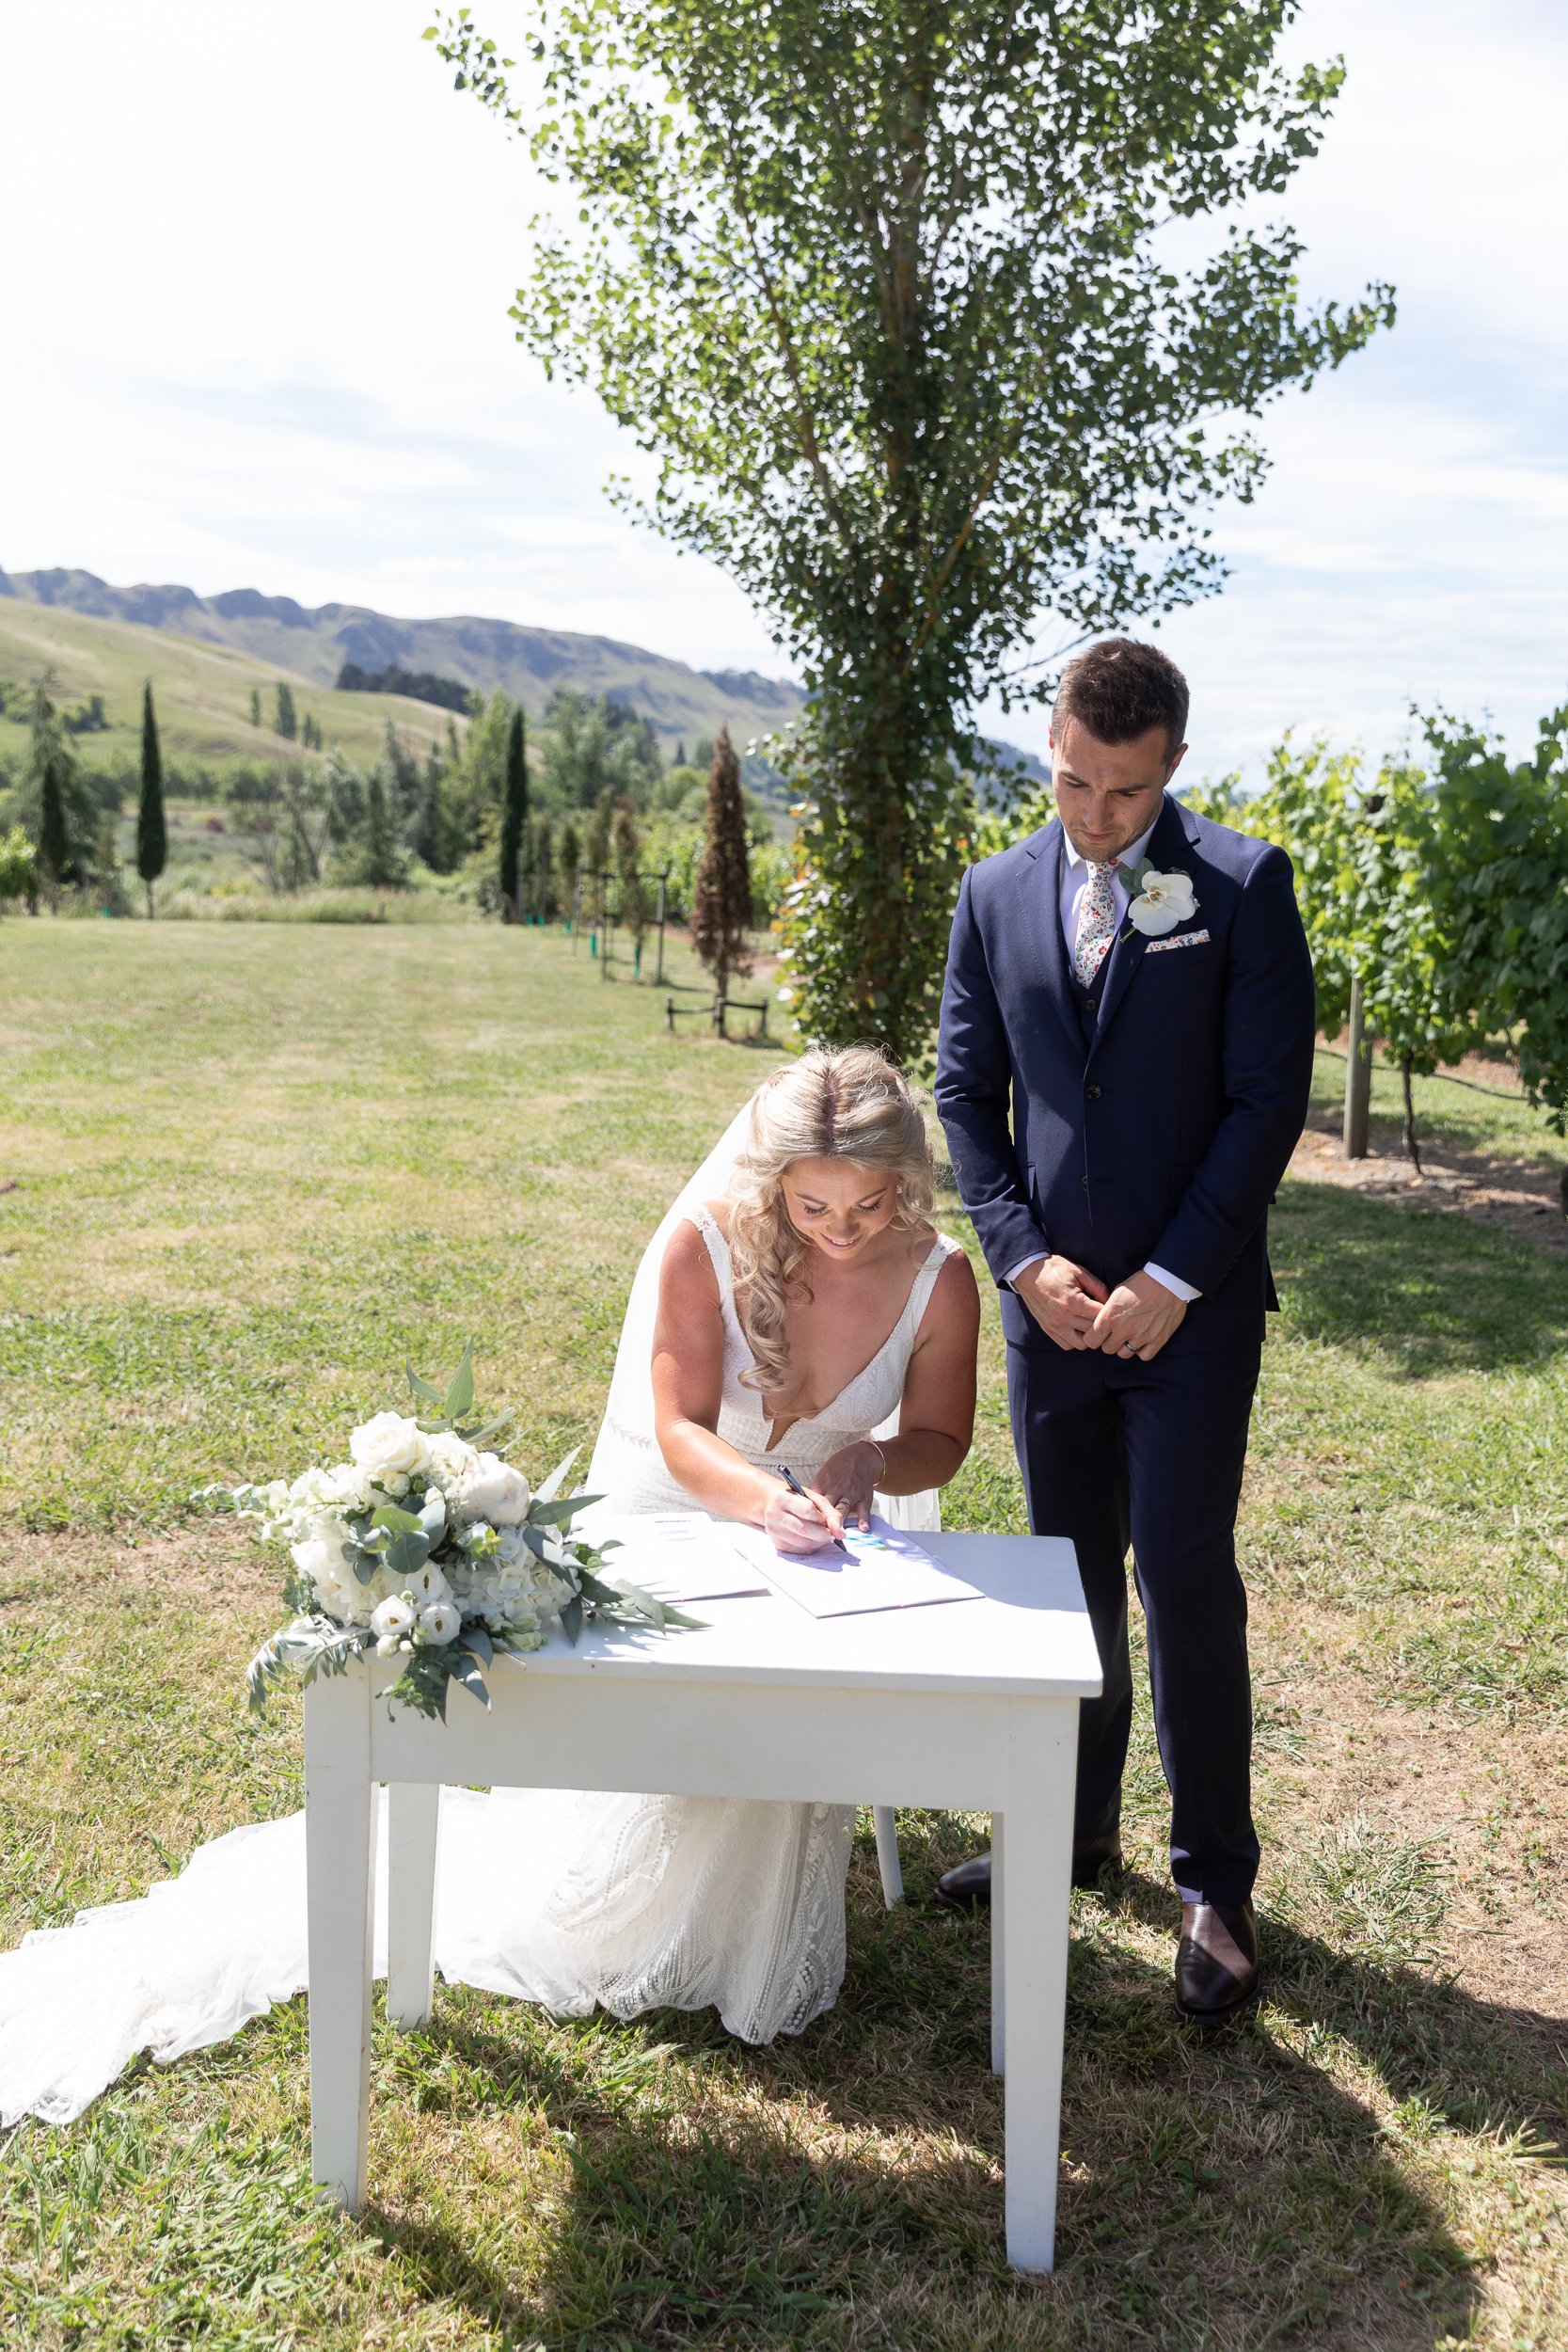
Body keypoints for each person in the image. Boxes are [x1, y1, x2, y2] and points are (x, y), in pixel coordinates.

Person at [0, 1049, 980, 2126]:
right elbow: (677, 1430)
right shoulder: (707, 1246)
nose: (841, 1229)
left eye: (869, 1203)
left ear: (909, 1182)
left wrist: (870, 1462)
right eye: (812, 1204)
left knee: (787, 1706)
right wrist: (758, 1501)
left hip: (819, 1548)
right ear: (770, 1181)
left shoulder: (938, 1279)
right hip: (694, 1517)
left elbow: (937, 1437)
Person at [933, 638, 1315, 2021]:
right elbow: (966, 1097)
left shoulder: (1241, 886)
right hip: (1050, 1316)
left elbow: (1260, 1105)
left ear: (1168, 770)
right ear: (1047, 745)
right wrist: (1023, 1262)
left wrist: (1170, 1280)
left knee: (1182, 1577)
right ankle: (1069, 1831)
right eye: (1068, 781)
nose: (1089, 816)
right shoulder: (990, 893)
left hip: (1186, 1317)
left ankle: (1213, 1880)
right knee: (1062, 1583)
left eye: (1121, 792)